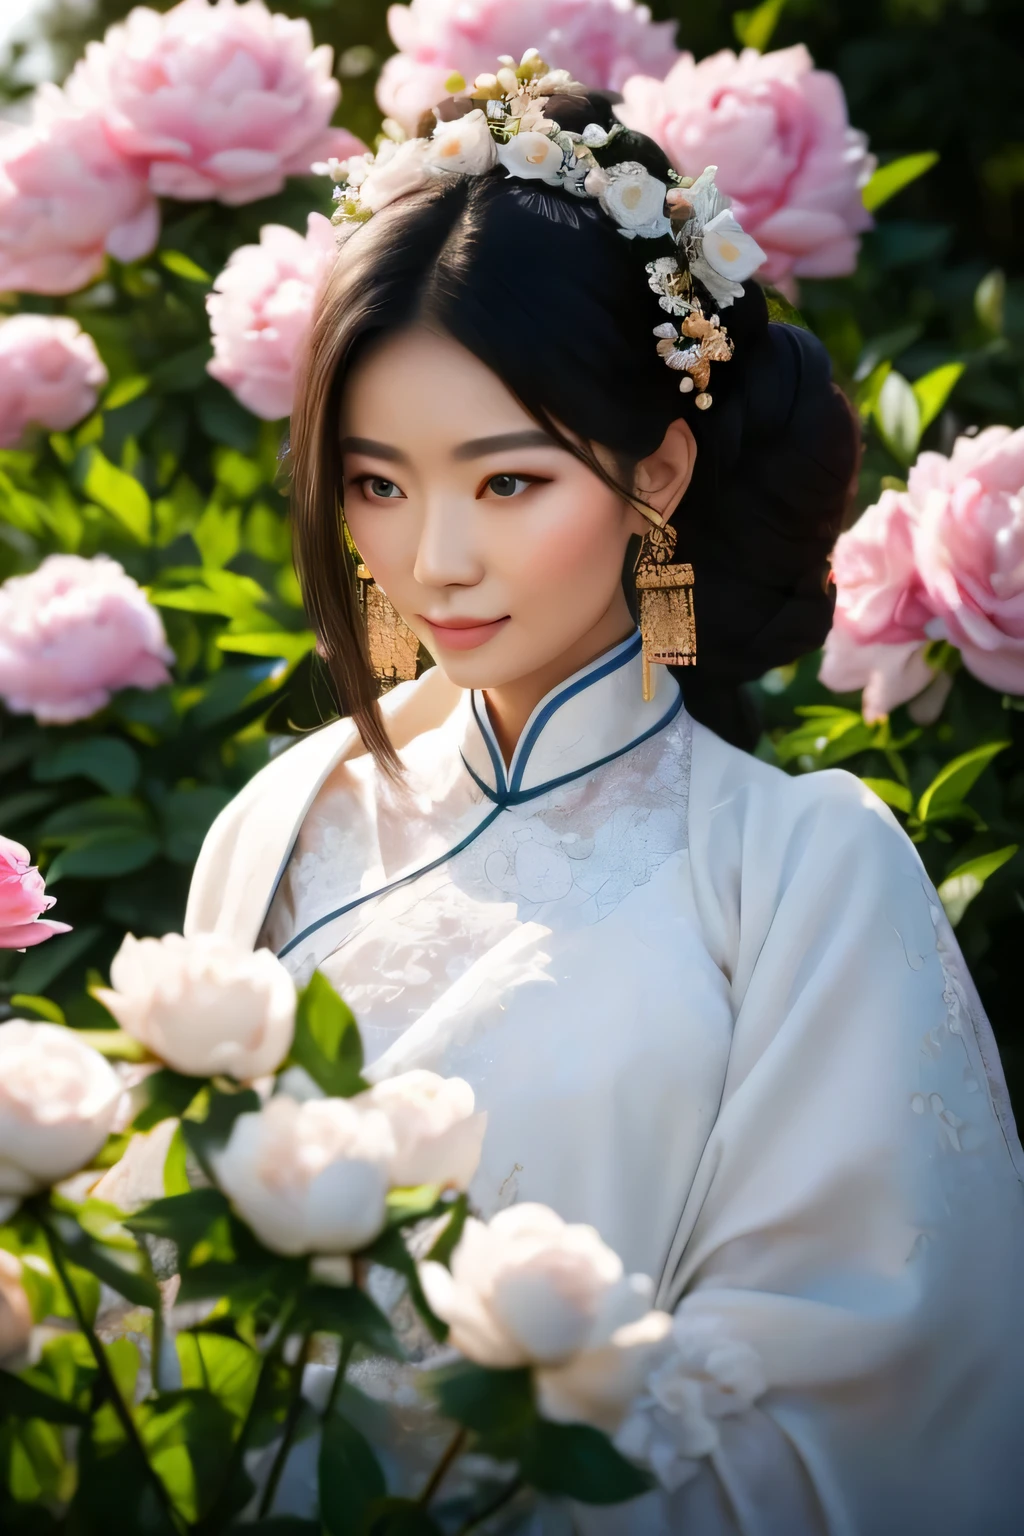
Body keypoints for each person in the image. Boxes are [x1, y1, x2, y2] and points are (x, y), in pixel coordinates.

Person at [186, 59, 1024, 1536]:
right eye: (377, 484)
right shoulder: (282, 823)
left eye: (506, 484)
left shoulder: (800, 871)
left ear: (659, 469)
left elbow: (864, 1394)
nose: (433, 558)